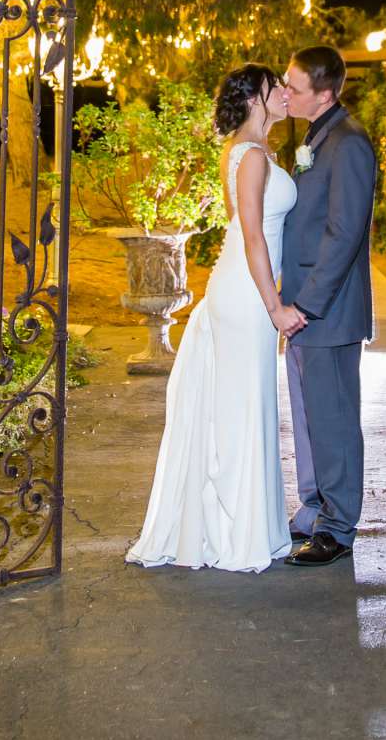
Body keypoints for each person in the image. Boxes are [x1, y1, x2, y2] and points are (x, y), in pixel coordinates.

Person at [124, 64, 297, 572]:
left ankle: (251, 527)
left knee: (250, 404)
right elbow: (252, 237)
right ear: (254, 101)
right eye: (275, 89)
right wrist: (276, 307)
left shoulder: (255, 150)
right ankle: (236, 535)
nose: (285, 94)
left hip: (246, 288)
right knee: (244, 406)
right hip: (246, 294)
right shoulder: (250, 158)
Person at [277, 45, 379, 567]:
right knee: (312, 417)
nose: (285, 93)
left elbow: (343, 236)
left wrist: (307, 307)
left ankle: (338, 529)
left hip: (328, 313)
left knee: (334, 420)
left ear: (326, 93)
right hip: (304, 309)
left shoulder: (350, 144)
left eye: (294, 88)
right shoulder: (317, 136)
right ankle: (316, 508)